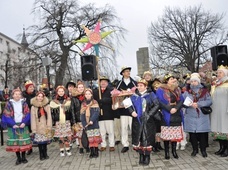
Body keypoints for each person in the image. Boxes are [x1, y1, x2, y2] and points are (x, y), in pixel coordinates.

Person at [124, 79, 159, 165]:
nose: (139, 87)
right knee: (138, 138)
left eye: (141, 86)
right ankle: (141, 155)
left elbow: (157, 105)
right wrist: (132, 112)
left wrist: (149, 114)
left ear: (145, 86)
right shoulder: (134, 96)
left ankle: (147, 156)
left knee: (147, 138)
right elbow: (128, 105)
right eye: (138, 85)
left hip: (148, 121)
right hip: (137, 121)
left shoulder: (151, 95)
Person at [183, 73, 212, 157]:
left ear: (198, 82)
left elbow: (209, 101)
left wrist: (199, 104)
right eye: (192, 81)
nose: (193, 83)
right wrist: (189, 104)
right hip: (190, 115)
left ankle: (203, 150)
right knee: (193, 134)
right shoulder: (186, 92)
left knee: (202, 134)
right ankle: (194, 150)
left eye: (195, 81)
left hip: (201, 116)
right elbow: (183, 101)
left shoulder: (204, 91)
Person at [156, 73, 184, 159]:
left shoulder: (177, 89)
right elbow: (160, 101)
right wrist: (169, 109)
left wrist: (176, 108)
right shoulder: (160, 89)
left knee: (174, 135)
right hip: (166, 113)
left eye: (174, 78)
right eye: (171, 78)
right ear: (167, 81)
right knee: (167, 136)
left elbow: (181, 100)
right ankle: (167, 152)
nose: (173, 80)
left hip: (176, 113)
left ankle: (174, 151)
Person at [1, 88, 32, 165]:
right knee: (16, 143)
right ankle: (18, 158)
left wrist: (24, 122)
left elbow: (28, 113)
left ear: (21, 95)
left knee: (23, 142)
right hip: (13, 126)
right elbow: (6, 114)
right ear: (13, 95)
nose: (17, 95)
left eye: (19, 94)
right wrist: (12, 124)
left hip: (22, 124)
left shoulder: (24, 103)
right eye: (16, 94)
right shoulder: (9, 104)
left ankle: (24, 157)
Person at [116, 66, 137, 153]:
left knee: (133, 127)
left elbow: (138, 93)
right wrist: (122, 93)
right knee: (124, 127)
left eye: (129, 71)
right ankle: (125, 144)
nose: (128, 73)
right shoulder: (119, 83)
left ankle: (135, 144)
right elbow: (116, 94)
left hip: (133, 109)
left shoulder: (134, 82)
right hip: (123, 109)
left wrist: (131, 93)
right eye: (127, 71)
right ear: (123, 73)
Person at [93, 76, 115, 152]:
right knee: (102, 131)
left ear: (107, 83)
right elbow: (94, 102)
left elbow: (113, 100)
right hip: (100, 114)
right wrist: (99, 102)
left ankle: (112, 145)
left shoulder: (111, 91)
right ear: (99, 83)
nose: (103, 83)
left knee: (110, 131)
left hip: (109, 114)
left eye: (105, 82)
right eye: (101, 82)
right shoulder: (95, 91)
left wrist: (103, 100)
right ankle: (103, 145)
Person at [50, 85, 73, 157]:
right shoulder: (54, 102)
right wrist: (53, 122)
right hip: (58, 121)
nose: (61, 92)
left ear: (64, 92)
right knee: (61, 136)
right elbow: (52, 113)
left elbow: (71, 111)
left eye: (62, 91)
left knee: (67, 135)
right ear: (57, 92)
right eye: (59, 91)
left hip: (66, 120)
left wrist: (72, 120)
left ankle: (68, 149)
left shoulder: (68, 100)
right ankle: (62, 150)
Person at [211, 65, 228, 157]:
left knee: (225, 129)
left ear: (225, 73)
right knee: (219, 129)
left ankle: (227, 149)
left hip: (225, 111)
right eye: (217, 72)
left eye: (220, 72)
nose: (218, 74)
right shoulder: (216, 84)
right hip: (216, 111)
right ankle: (221, 147)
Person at [31, 91, 52, 160]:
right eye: (39, 96)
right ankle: (41, 154)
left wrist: (49, 126)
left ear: (43, 98)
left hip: (45, 125)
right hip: (38, 126)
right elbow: (33, 118)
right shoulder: (34, 107)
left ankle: (45, 153)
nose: (40, 98)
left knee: (45, 141)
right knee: (40, 142)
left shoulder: (47, 106)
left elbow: (49, 116)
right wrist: (33, 129)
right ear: (36, 97)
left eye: (41, 97)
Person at [80, 88, 101, 158]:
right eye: (86, 94)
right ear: (84, 95)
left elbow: (97, 112)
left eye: (89, 94)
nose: (88, 95)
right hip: (87, 125)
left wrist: (92, 120)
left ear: (91, 94)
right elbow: (82, 114)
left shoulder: (95, 102)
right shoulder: (83, 104)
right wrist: (83, 123)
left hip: (94, 123)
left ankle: (96, 151)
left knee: (95, 138)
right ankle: (91, 152)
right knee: (90, 139)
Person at [70, 82, 90, 155]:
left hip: (86, 118)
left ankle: (87, 146)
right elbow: (72, 110)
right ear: (77, 88)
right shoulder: (74, 98)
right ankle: (81, 147)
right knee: (79, 134)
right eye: (79, 87)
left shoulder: (87, 97)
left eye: (82, 87)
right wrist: (74, 121)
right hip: (78, 118)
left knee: (87, 133)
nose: (81, 88)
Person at [22, 80, 36, 155]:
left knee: (33, 131)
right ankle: (29, 147)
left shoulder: (35, 94)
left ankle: (35, 144)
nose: (32, 88)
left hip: (34, 115)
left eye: (32, 87)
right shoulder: (23, 95)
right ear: (27, 88)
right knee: (27, 132)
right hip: (26, 116)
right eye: (30, 87)